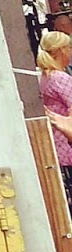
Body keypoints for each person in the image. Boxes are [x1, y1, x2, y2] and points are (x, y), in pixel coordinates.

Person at [38, 30, 72, 213]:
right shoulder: (61, 78)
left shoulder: (46, 77)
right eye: (69, 47)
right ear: (61, 51)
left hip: (57, 145)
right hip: (68, 144)